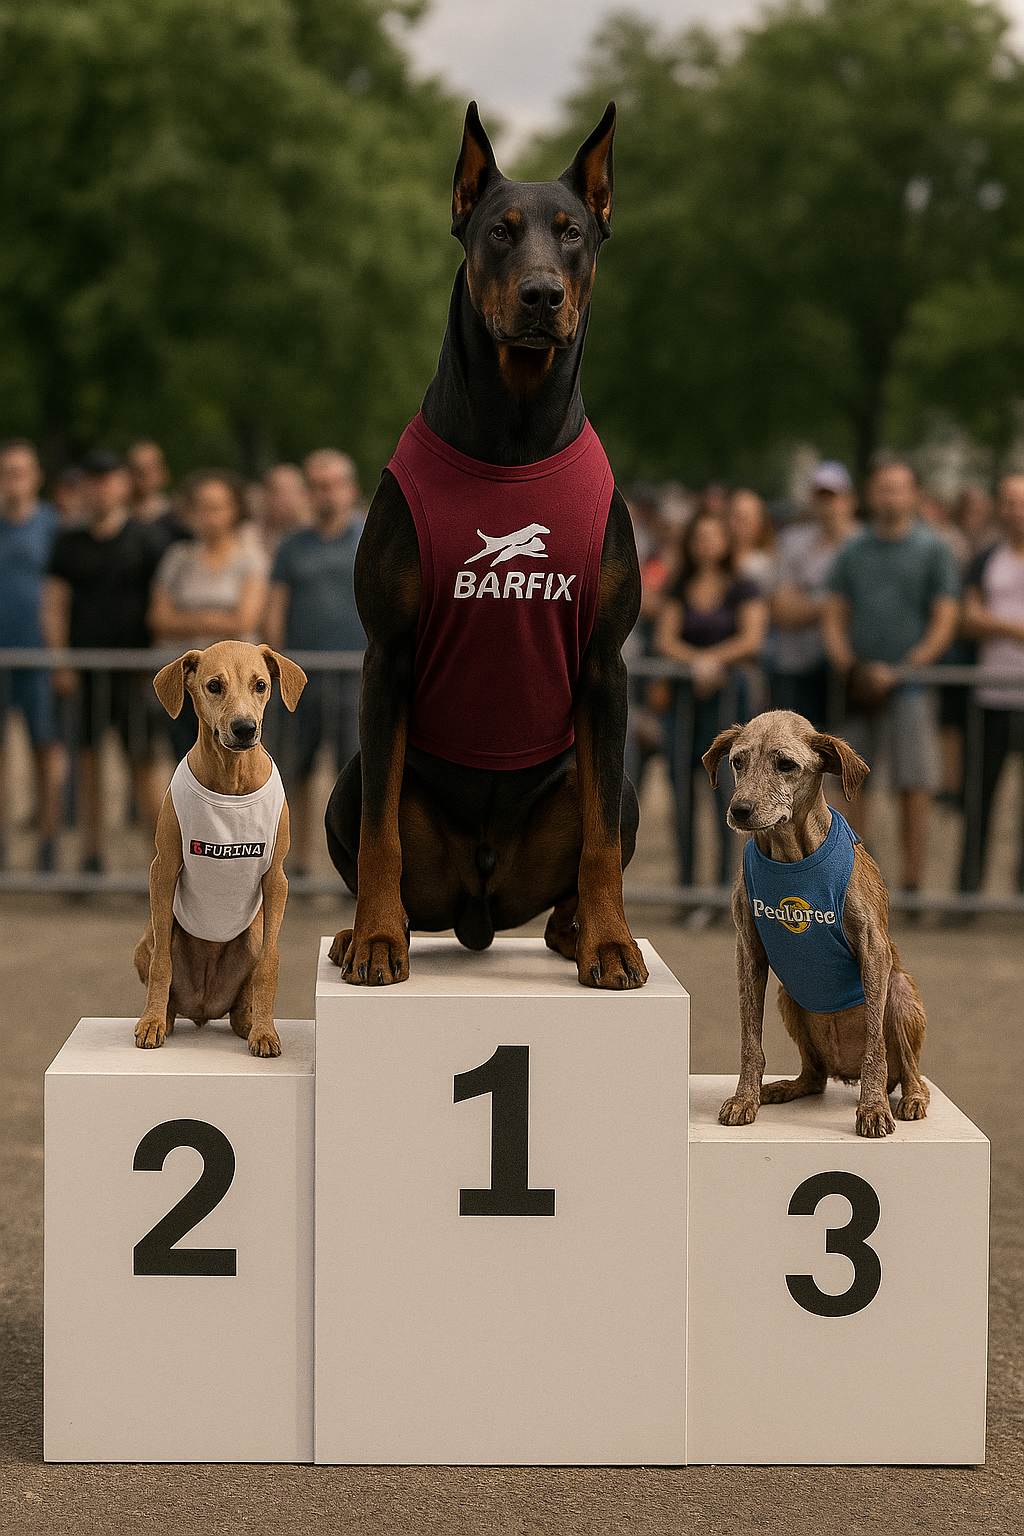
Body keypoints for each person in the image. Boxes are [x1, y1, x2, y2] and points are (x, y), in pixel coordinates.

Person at [822, 459, 961, 897]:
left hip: (911, 688)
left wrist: (906, 668)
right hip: (860, 688)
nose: (891, 497)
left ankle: (912, 881)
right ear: (870, 494)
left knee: (913, 785)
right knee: (852, 782)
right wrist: (849, 665)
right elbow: (834, 611)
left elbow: (945, 616)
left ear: (914, 494)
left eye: (899, 489)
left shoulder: (933, 548)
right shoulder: (852, 550)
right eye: (883, 489)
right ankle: (858, 878)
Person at [43, 449, 165, 873]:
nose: (101, 489)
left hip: (135, 675)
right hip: (84, 674)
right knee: (88, 766)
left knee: (143, 766)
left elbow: (161, 603)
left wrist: (156, 665)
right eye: (92, 481)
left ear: (124, 485)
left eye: (109, 479)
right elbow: (54, 603)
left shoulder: (147, 539)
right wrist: (60, 662)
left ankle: (163, 864)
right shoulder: (67, 541)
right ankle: (90, 856)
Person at [264, 449, 365, 874]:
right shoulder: (291, 548)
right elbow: (274, 611)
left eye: (334, 484)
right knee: (295, 773)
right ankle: (298, 861)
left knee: (355, 777)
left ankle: (356, 865)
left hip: (356, 678)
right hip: (299, 680)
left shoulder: (371, 539)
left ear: (351, 489)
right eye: (318, 485)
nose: (327, 493)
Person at [654, 512, 768, 886]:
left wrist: (714, 661)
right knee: (682, 796)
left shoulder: (744, 587)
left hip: (728, 706)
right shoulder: (678, 586)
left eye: (713, 535)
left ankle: (725, 886)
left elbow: (752, 639)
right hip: (684, 704)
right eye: (699, 536)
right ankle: (686, 884)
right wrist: (697, 664)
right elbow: (665, 639)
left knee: (728, 797)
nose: (705, 543)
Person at [148, 470, 269, 761]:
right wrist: (220, 618)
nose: (209, 514)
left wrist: (188, 618)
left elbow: (246, 620)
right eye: (201, 506)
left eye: (218, 506)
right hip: (188, 685)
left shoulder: (250, 558)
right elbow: (158, 619)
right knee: (184, 760)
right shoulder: (177, 557)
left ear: (234, 510)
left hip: (239, 688)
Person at [958, 473, 1024, 893]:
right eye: (1009, 502)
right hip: (990, 696)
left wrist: (994, 624)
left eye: (1021, 502)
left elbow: (983, 618)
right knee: (978, 799)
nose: (1015, 511)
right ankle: (968, 887)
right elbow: (970, 617)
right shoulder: (985, 559)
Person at [0, 439, 64, 870]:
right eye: (6, 471)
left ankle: (48, 840)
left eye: (21, 471)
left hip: (39, 660)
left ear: (36, 476)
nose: (13, 479)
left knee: (46, 751)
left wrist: (59, 657)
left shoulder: (53, 525)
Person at [770, 460, 860, 729]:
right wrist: (835, 606)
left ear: (849, 499)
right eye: (820, 496)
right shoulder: (792, 541)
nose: (826, 504)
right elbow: (781, 609)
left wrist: (807, 600)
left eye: (832, 496)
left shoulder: (864, 544)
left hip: (847, 667)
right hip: (797, 664)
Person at [726, 487, 776, 592]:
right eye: (736, 516)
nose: (741, 524)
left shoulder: (768, 565)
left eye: (748, 518)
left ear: (761, 522)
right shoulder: (712, 557)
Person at [258, 463, 311, 558]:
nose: (280, 499)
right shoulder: (248, 536)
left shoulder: (317, 535)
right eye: (274, 491)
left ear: (304, 495)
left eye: (288, 491)